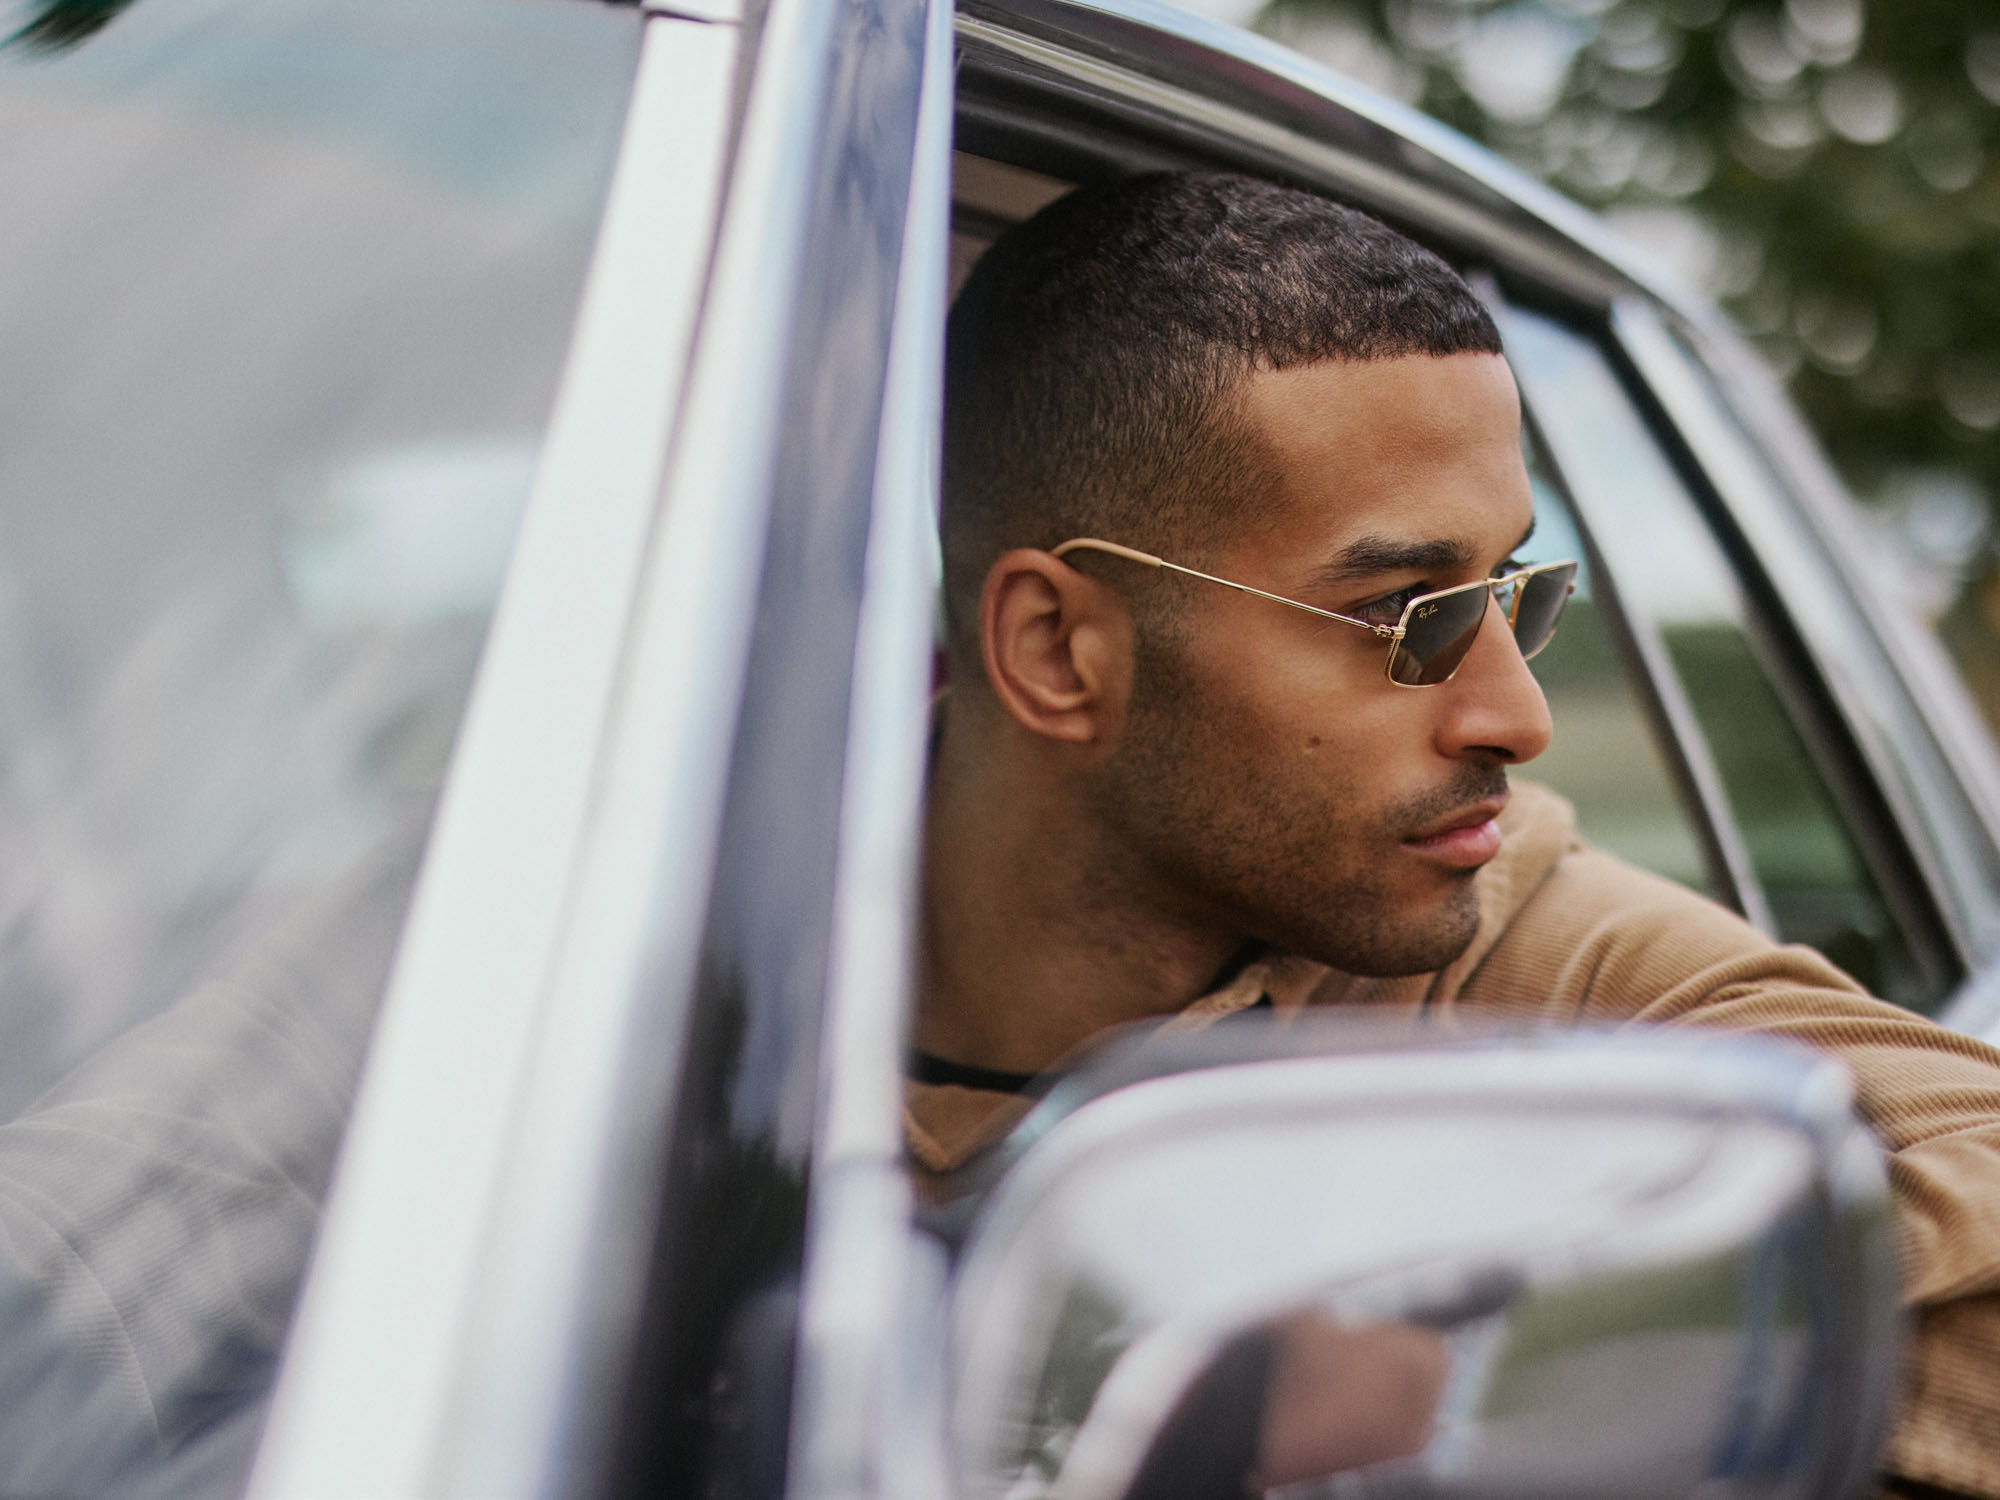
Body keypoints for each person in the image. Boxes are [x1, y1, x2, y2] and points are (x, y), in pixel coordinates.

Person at [912, 171, 2000, 1499]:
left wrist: (1459, 1339)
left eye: (1514, 597)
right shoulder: (656, 926)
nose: (1520, 716)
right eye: (1408, 611)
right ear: (1059, 650)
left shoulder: (1523, 949)